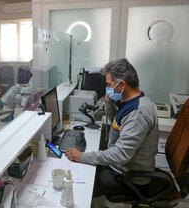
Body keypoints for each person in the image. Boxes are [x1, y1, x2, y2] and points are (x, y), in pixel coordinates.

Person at [65, 58, 159, 198]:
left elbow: (120, 154)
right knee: (82, 168)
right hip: (121, 168)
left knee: (79, 185)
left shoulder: (137, 114)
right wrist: (109, 103)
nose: (107, 89)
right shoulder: (130, 101)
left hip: (129, 179)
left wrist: (83, 156)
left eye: (109, 85)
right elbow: (116, 123)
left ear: (122, 84)